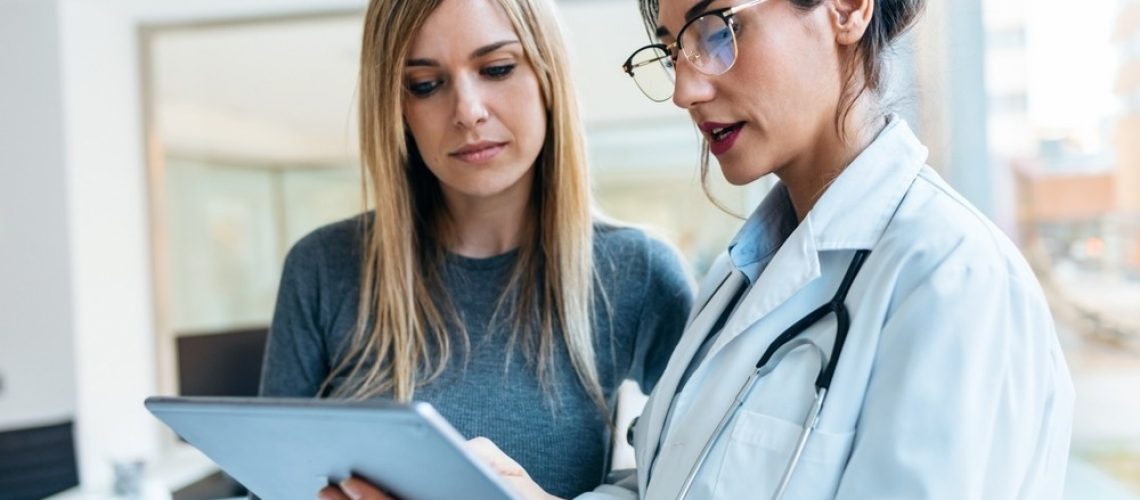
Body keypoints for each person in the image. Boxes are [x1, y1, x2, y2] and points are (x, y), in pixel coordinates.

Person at [453, 0, 1076, 498]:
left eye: (716, 31)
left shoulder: (952, 278)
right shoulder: (739, 278)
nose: (685, 90)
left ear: (847, 8)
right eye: (673, 52)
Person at [258, 0, 695, 498]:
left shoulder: (635, 272)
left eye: (497, 69)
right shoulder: (323, 268)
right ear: (398, 107)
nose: (467, 111)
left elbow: (705, 478)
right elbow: (268, 484)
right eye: (425, 84)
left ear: (547, 75)